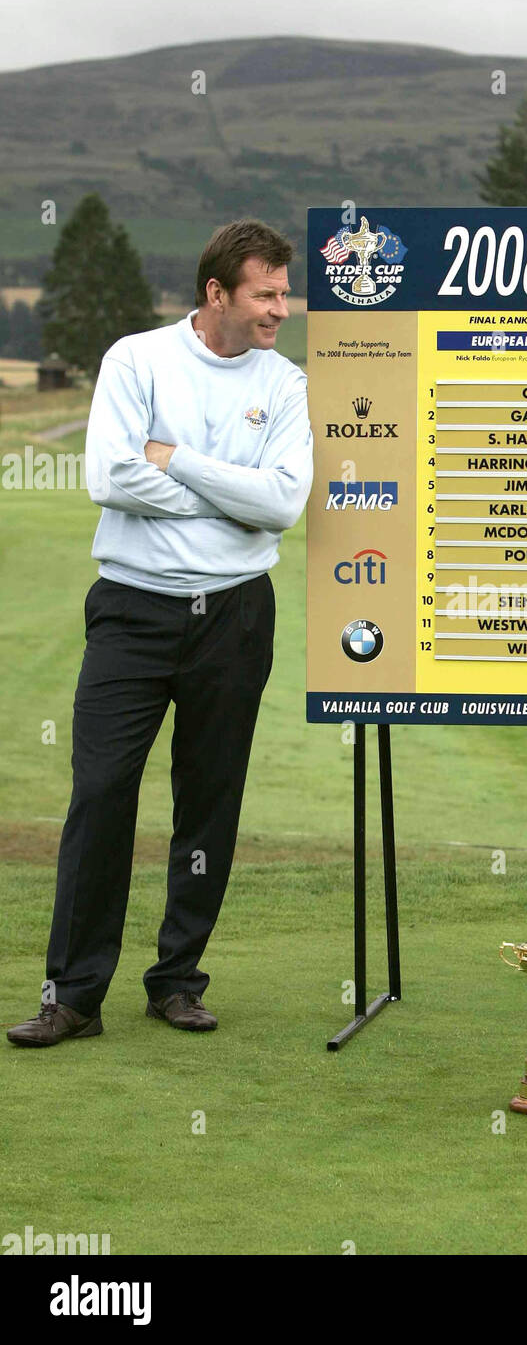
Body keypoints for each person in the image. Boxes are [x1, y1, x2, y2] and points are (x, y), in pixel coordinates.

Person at [7, 218, 313, 1047]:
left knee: (208, 804)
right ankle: (73, 995)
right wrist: (231, 495)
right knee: (101, 795)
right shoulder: (136, 358)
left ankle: (177, 981)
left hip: (237, 615)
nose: (281, 309)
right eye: (266, 293)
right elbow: (109, 475)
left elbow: (283, 503)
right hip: (132, 610)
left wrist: (175, 461)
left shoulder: (285, 383)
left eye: (285, 292)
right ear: (217, 293)